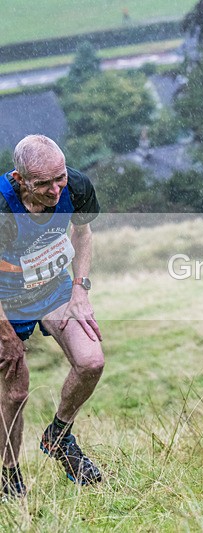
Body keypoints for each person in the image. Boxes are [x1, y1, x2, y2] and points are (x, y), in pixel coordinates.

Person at [0, 135, 104, 497]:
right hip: (5, 302)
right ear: (20, 179)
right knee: (15, 393)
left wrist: (80, 290)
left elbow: (84, 232)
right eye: (42, 183)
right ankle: (9, 476)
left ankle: (59, 437)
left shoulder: (75, 185)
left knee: (91, 361)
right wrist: (5, 334)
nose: (54, 189)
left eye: (58, 177)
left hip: (52, 289)